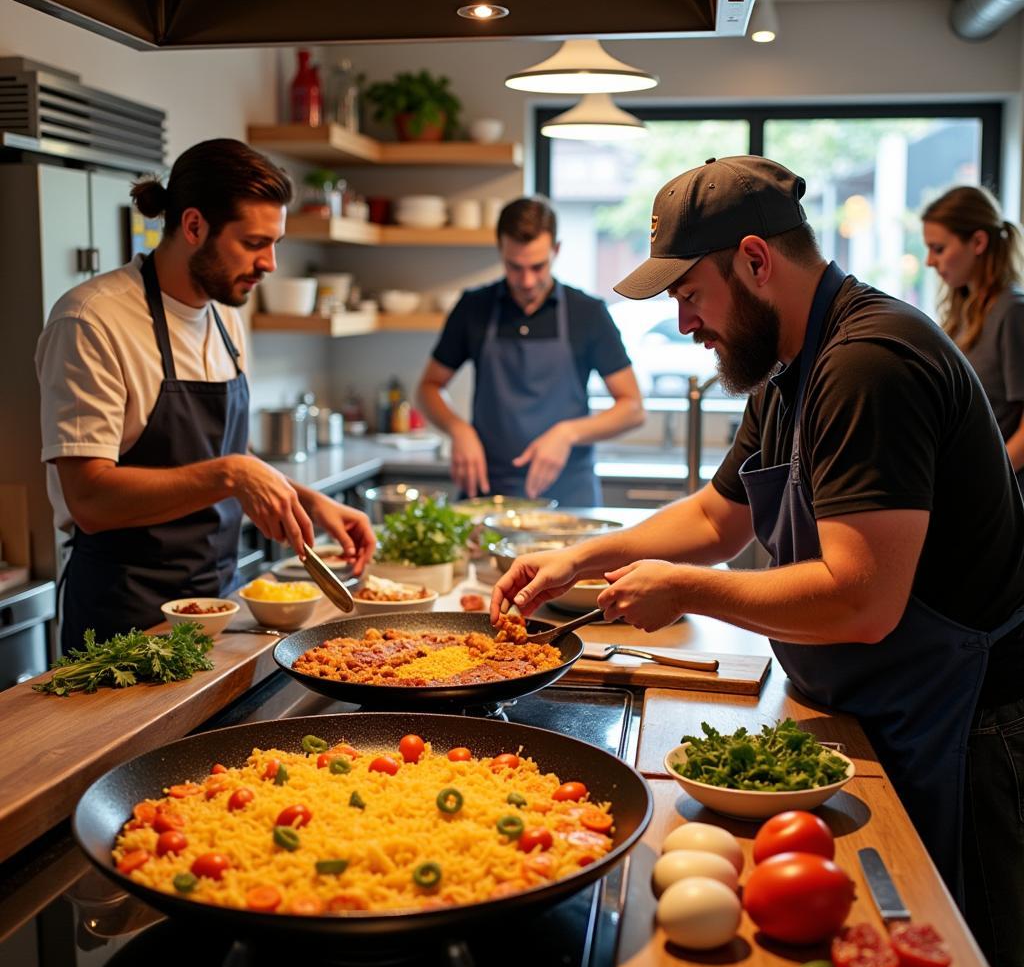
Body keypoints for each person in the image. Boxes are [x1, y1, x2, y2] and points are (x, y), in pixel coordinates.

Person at [491, 155, 1024, 967]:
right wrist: (580, 560)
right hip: (880, 703)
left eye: (688, 292)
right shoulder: (785, 365)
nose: (682, 319)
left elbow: (862, 598)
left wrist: (688, 592)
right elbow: (717, 517)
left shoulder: (868, 364)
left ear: (753, 259)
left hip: (972, 730)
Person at [36, 138, 375, 651]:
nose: (271, 264)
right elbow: (89, 499)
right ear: (193, 226)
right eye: (255, 242)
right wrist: (231, 474)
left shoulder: (226, 319)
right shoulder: (92, 320)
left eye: (275, 243)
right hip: (124, 621)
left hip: (219, 604)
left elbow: (221, 455)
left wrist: (308, 501)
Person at [416, 196, 644, 506]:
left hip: (570, 494)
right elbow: (429, 387)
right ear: (500, 250)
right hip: (489, 492)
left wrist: (568, 433)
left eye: (538, 266)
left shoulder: (587, 313)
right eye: (515, 266)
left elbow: (632, 408)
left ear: (556, 250)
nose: (526, 281)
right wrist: (458, 430)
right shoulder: (473, 308)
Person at [922, 185, 1024, 488]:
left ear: (978, 241)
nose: (929, 261)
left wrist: (986, 482)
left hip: (1000, 499)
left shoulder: (1012, 312)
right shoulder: (964, 313)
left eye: (938, 249)